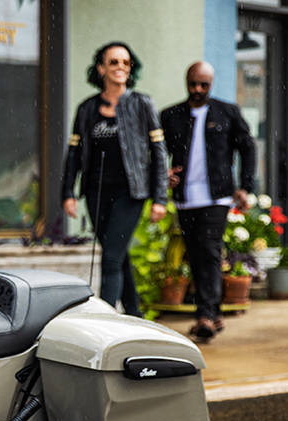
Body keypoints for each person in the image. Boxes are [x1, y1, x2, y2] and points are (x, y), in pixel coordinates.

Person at [62, 42, 168, 317]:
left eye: (125, 62)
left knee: (110, 258)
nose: (120, 67)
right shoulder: (87, 108)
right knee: (118, 257)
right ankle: (135, 315)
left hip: (131, 193)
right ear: (101, 68)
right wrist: (68, 192)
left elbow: (158, 153)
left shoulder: (141, 104)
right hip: (96, 192)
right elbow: (73, 153)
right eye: (114, 62)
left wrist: (160, 198)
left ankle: (104, 320)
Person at [160, 61, 255, 340]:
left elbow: (247, 148)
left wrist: (245, 187)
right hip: (185, 198)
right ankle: (212, 311)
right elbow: (155, 152)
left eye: (204, 84)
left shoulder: (227, 113)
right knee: (195, 253)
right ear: (186, 81)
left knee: (210, 251)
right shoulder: (172, 116)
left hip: (218, 195)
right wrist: (163, 174)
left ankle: (206, 315)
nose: (198, 89)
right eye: (193, 84)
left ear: (211, 84)